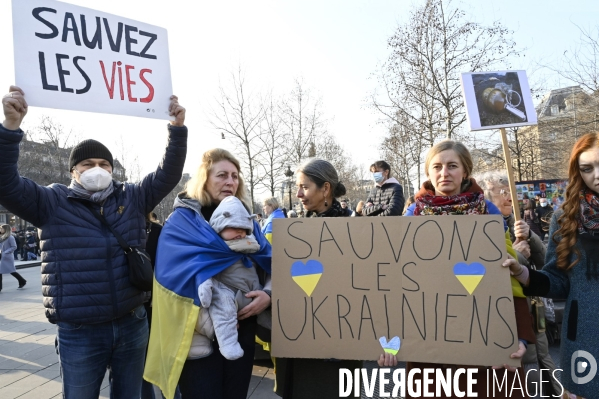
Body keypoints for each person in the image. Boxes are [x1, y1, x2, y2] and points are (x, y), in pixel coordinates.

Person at [0, 85, 187, 399]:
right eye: (88, 164)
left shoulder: (132, 196)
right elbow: (5, 183)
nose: (97, 169)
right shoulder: (51, 201)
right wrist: (10, 128)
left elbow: (168, 174)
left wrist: (177, 130)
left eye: (104, 164)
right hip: (80, 332)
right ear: (74, 170)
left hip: (132, 323)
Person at [396, 140, 535, 398]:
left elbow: (505, 277)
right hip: (432, 339)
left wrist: (519, 336)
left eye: (452, 166)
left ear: (465, 171)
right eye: (436, 167)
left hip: (486, 338)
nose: (444, 173)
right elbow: (399, 282)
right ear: (428, 172)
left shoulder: (488, 212)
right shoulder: (412, 215)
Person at [144, 148, 271, 399]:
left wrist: (268, 294)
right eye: (222, 175)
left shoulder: (247, 220)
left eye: (235, 176)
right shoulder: (181, 221)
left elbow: (269, 260)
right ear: (204, 178)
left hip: (242, 326)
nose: (230, 182)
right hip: (196, 333)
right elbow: (169, 276)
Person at [507, 133, 599, 399]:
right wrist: (522, 272)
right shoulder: (565, 216)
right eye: (587, 168)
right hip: (585, 334)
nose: (596, 175)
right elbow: (557, 279)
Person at [275, 158, 360, 399]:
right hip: (302, 342)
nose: (298, 194)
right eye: (297, 187)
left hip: (340, 343)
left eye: (304, 187)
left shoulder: (357, 229)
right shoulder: (296, 230)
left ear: (325, 189)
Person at [476, 171, 561, 396]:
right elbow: (501, 269)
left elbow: (546, 263)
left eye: (509, 192)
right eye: (501, 192)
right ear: (486, 197)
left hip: (534, 311)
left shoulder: (518, 223)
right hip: (508, 312)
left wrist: (530, 237)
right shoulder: (483, 227)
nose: (508, 197)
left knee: (544, 360)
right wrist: (519, 255)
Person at [195, 195, 268, 360]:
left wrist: (268, 293)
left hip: (252, 298)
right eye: (234, 227)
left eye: (244, 228)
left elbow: (267, 263)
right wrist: (205, 284)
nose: (240, 232)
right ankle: (228, 342)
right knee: (223, 306)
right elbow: (203, 267)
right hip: (225, 292)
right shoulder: (211, 247)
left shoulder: (254, 243)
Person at [0, 224, 26, 292]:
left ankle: (22, 281)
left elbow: (14, 246)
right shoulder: (2, 237)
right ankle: (22, 281)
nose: (0, 230)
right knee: (1, 271)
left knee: (11, 271)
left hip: (7, 256)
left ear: (6, 229)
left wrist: (6, 252)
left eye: (2, 228)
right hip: (1, 256)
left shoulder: (10, 237)